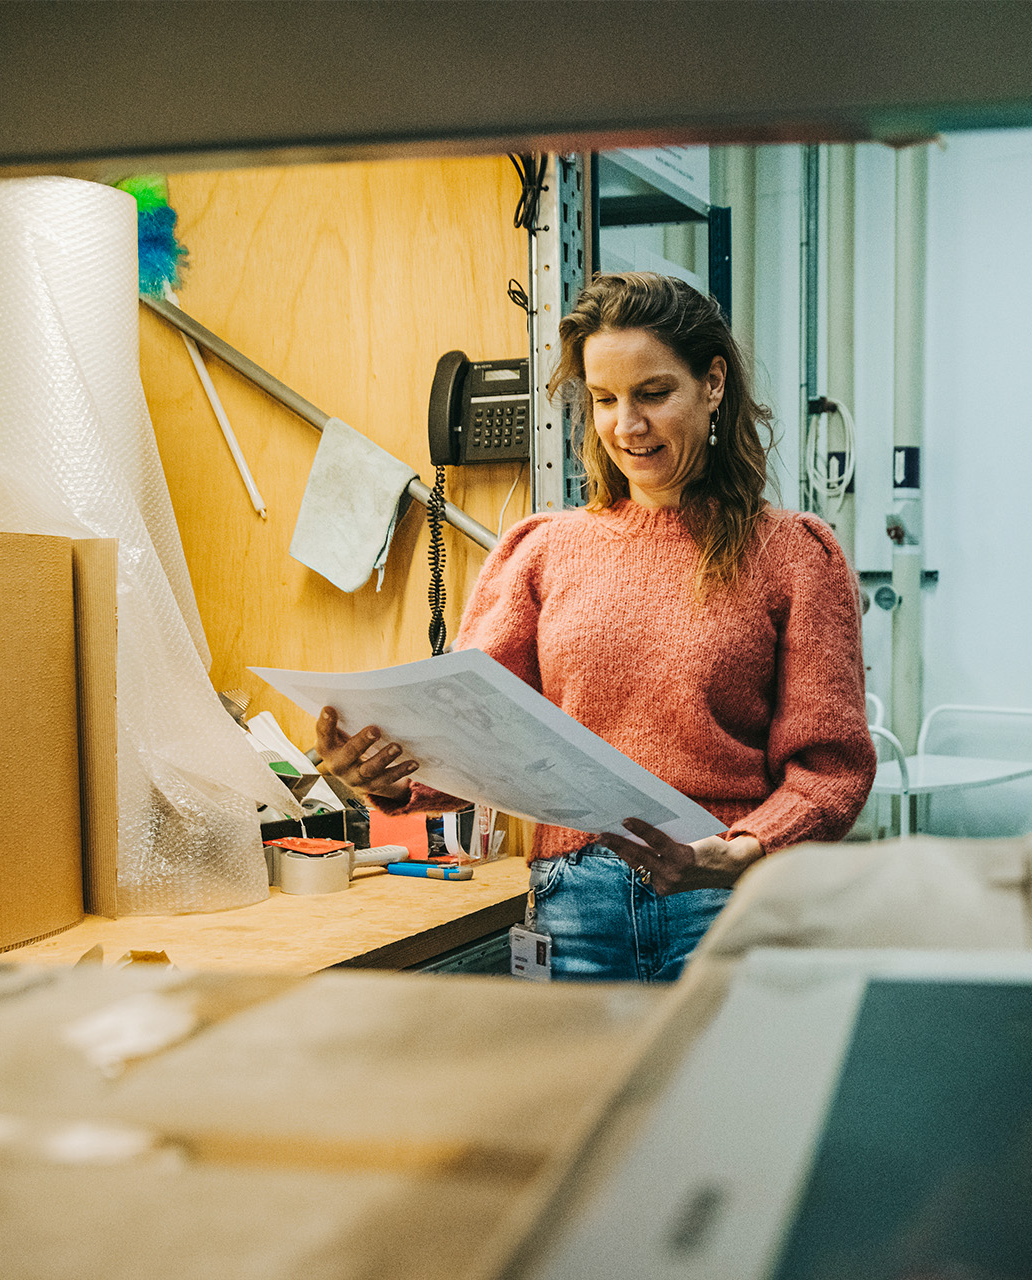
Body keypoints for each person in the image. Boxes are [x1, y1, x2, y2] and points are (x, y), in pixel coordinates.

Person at [317, 272, 876, 980]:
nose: (627, 426)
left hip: (730, 904)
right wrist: (391, 775)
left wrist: (743, 849)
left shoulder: (794, 555)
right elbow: (479, 741)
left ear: (712, 384)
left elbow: (831, 771)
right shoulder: (541, 551)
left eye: (653, 394)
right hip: (574, 909)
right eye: (605, 399)